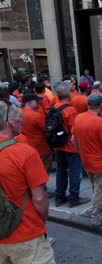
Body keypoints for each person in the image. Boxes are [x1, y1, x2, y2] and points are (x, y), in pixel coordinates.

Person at [0, 100, 55, 263]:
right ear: (10, 122)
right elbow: (40, 198)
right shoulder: (25, 152)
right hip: (26, 233)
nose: (22, 123)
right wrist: (41, 221)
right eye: (19, 119)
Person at [71, 94, 102, 226]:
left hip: (86, 160)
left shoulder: (78, 117)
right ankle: (98, 217)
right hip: (99, 162)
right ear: (100, 105)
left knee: (95, 186)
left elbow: (73, 139)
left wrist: (80, 152)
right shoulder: (99, 121)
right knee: (100, 189)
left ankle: (100, 204)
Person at [53, 82, 90, 207]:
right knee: (75, 171)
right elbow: (75, 130)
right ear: (68, 94)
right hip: (70, 146)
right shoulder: (70, 110)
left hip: (58, 145)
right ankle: (74, 198)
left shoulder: (54, 107)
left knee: (60, 170)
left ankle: (59, 196)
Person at [20, 92, 52, 172]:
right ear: (29, 103)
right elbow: (45, 129)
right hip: (41, 148)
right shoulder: (35, 116)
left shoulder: (19, 112)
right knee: (44, 170)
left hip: (26, 146)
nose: (39, 103)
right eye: (36, 101)